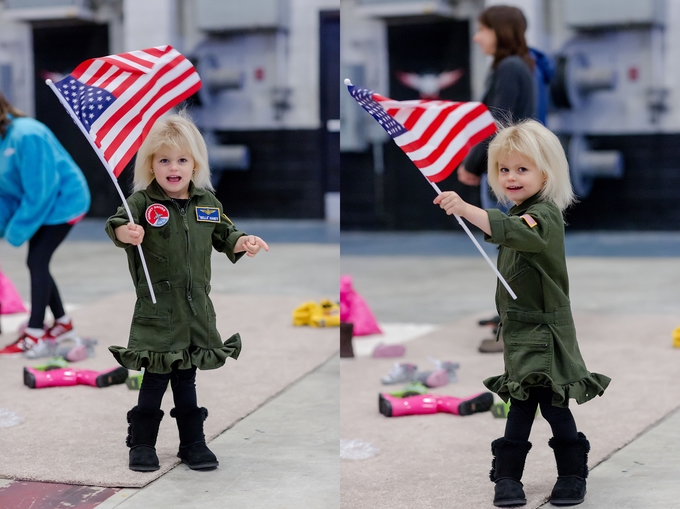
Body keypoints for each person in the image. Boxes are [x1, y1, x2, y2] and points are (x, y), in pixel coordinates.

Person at [434, 120, 610, 507]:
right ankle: (508, 477)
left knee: (553, 405)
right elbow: (510, 230)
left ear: (546, 172)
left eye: (522, 169)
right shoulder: (519, 212)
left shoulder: (542, 215)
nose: (511, 177)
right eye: (503, 169)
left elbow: (518, 233)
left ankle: (572, 473)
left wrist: (465, 208)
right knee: (519, 406)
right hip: (518, 331)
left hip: (547, 333)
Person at [104, 111, 268, 472]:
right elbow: (116, 223)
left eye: (182, 159)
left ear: (195, 164)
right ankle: (142, 442)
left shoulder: (207, 202)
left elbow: (227, 235)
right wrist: (124, 234)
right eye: (164, 160)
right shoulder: (142, 204)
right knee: (156, 376)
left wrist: (246, 242)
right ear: (151, 165)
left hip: (196, 308)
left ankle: (192, 442)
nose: (173, 167)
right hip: (158, 309)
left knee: (187, 376)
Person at [0, 91, 90, 357]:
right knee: (38, 261)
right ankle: (62, 323)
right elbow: (4, 192)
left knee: (36, 261)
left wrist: (15, 231)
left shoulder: (26, 134)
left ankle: (35, 334)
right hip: (38, 204)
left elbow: (41, 191)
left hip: (64, 203)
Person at [458, 5, 536, 207]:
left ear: (500, 32)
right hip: (514, 171)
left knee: (505, 236)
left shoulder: (509, 68)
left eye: (483, 30)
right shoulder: (517, 66)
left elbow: (497, 123)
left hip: (507, 174)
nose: (477, 37)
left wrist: (471, 164)